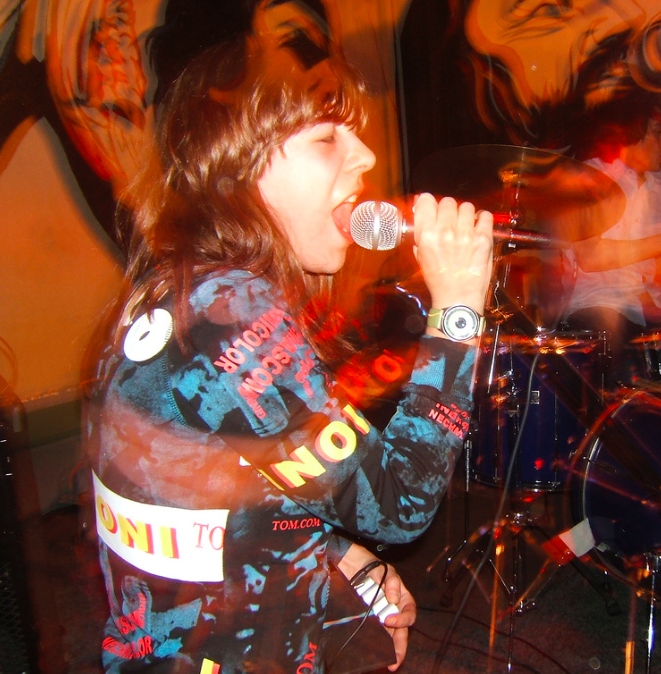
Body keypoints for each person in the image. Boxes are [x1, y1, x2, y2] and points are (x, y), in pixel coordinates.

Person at [82, 25, 494, 674]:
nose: (364, 157)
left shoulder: (187, 291)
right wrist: (459, 311)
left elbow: (234, 488)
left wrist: (337, 554)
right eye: (327, 138)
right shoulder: (232, 317)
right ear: (238, 167)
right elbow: (398, 503)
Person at [563, 90, 661, 388]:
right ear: (629, 134)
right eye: (657, 132)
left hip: (649, 299)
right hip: (596, 304)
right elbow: (590, 257)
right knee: (619, 358)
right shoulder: (589, 178)